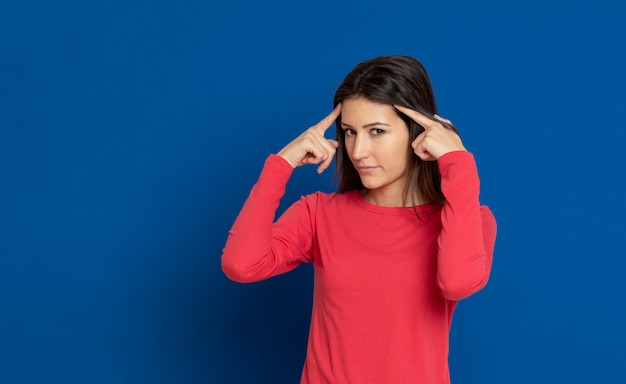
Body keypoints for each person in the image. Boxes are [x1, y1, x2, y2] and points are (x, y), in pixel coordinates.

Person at [221, 55, 497, 384]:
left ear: (419, 132)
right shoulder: (319, 213)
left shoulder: (467, 219)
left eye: (376, 131)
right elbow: (241, 264)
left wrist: (458, 164)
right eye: (350, 132)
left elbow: (457, 282)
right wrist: (280, 165)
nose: (358, 151)